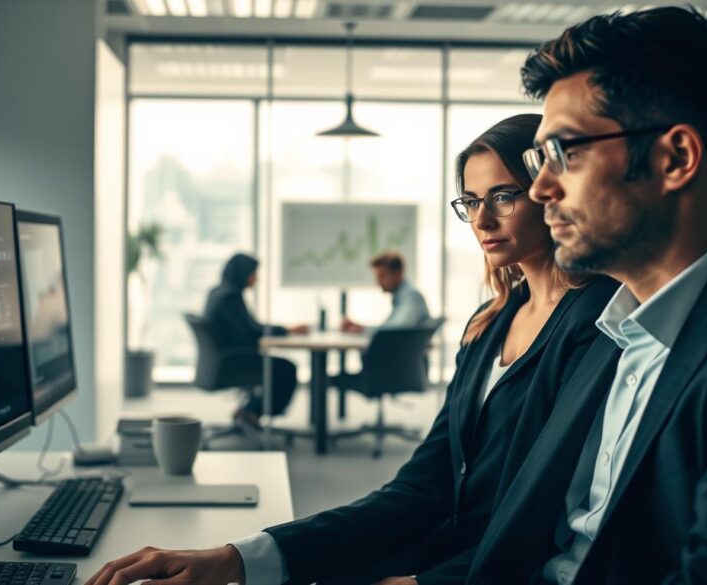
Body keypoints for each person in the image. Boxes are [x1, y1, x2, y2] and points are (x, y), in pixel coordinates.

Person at [84, 115, 619, 585]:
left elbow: (546, 520)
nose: (481, 221)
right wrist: (238, 558)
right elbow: (423, 488)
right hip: (439, 550)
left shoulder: (598, 323)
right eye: (472, 202)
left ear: (551, 190)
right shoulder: (489, 325)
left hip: (482, 570)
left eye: (503, 196)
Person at [460, 7, 707, 584]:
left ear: (675, 158)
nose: (542, 188)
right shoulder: (613, 326)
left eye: (563, 155)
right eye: (538, 160)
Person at [203, 253, 308, 425]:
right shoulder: (229, 297)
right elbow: (252, 331)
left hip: (222, 360)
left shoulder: (219, 292)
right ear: (243, 273)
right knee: (286, 369)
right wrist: (287, 330)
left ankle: (249, 410)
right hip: (234, 361)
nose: (256, 278)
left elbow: (248, 328)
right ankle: (254, 411)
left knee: (280, 367)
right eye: (254, 273)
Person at [341, 252, 429, 333]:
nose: (378, 282)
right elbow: (389, 327)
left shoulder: (411, 297)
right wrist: (360, 327)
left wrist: (362, 329)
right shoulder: (401, 297)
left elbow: (396, 330)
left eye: (382, 276)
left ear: (398, 274)